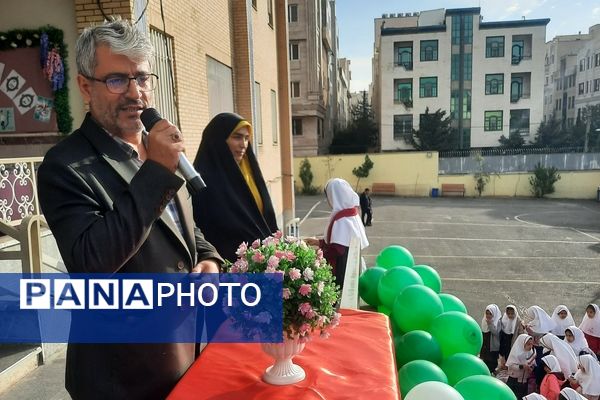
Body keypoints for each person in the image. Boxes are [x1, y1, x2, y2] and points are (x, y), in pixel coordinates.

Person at [37, 18, 223, 400]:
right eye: (117, 80)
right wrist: (156, 171)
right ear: (85, 86)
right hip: (121, 377)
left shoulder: (156, 148)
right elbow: (92, 262)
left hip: (183, 355)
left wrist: (207, 258)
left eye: (142, 77)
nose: (136, 93)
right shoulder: (65, 166)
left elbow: (180, 225)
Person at [191, 112, 278, 263]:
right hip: (226, 270)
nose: (243, 144)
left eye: (246, 138)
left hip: (263, 265)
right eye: (237, 137)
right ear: (218, 140)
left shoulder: (249, 176)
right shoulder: (200, 183)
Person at [305, 178, 369, 289]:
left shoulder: (341, 220)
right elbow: (341, 243)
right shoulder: (351, 213)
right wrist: (318, 242)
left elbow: (337, 250)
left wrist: (316, 253)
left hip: (341, 273)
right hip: (351, 268)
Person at [507, 333, 537, 398]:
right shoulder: (516, 352)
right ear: (522, 343)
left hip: (525, 380)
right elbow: (511, 365)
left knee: (522, 396)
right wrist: (522, 366)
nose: (530, 346)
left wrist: (531, 368)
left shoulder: (531, 352)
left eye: (532, 344)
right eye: (528, 344)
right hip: (514, 379)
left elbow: (533, 363)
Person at [480, 304, 502, 373]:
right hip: (485, 343)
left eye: (490, 314)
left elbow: (496, 333)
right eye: (487, 313)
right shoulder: (484, 320)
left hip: (492, 345)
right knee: (485, 359)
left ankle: (491, 372)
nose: (488, 315)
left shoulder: (497, 321)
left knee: (492, 361)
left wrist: (490, 324)